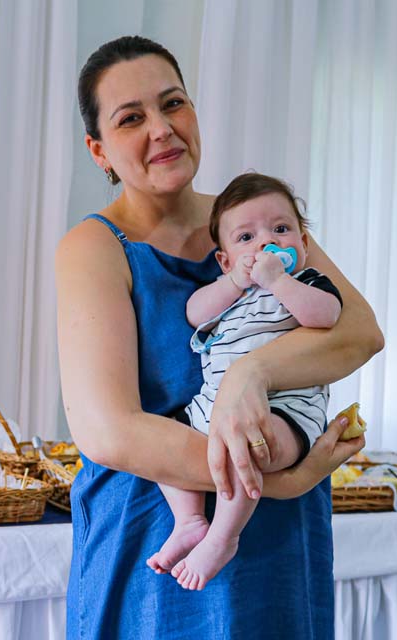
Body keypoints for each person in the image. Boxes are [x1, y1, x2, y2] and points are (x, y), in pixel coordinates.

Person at [56, 35, 384, 639]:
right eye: (131, 118)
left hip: (278, 546)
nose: (162, 129)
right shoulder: (93, 248)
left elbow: (360, 332)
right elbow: (109, 433)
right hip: (155, 544)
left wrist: (250, 374)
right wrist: (283, 480)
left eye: (173, 103)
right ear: (98, 150)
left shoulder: (255, 221)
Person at [148, 172, 344, 591]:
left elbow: (325, 316)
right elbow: (194, 312)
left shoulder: (305, 283)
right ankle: (189, 520)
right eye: (246, 238)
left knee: (250, 447)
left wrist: (278, 281)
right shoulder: (229, 295)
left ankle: (223, 537)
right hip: (210, 409)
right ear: (224, 260)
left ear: (303, 244)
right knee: (160, 444)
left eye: (281, 229)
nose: (265, 243)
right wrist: (236, 282)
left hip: (285, 409)